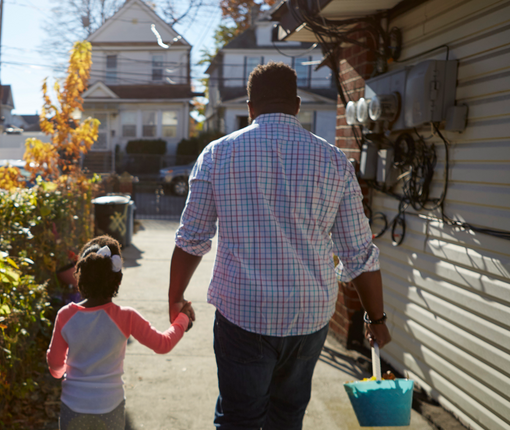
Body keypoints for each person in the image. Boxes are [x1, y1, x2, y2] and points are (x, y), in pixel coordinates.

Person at [168, 62, 391, 430]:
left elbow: (191, 239)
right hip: (310, 315)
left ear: (250, 107)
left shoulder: (218, 155)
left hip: (244, 314)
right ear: (298, 105)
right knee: (287, 416)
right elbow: (359, 253)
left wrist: (175, 297)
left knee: (239, 417)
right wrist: (376, 318)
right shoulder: (335, 162)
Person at [47, 235, 193, 430]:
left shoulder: (65, 316)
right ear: (117, 281)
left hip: (74, 407)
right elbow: (163, 344)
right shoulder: (126, 317)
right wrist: (183, 319)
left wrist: (63, 371)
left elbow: (55, 367)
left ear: (80, 276)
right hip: (110, 408)